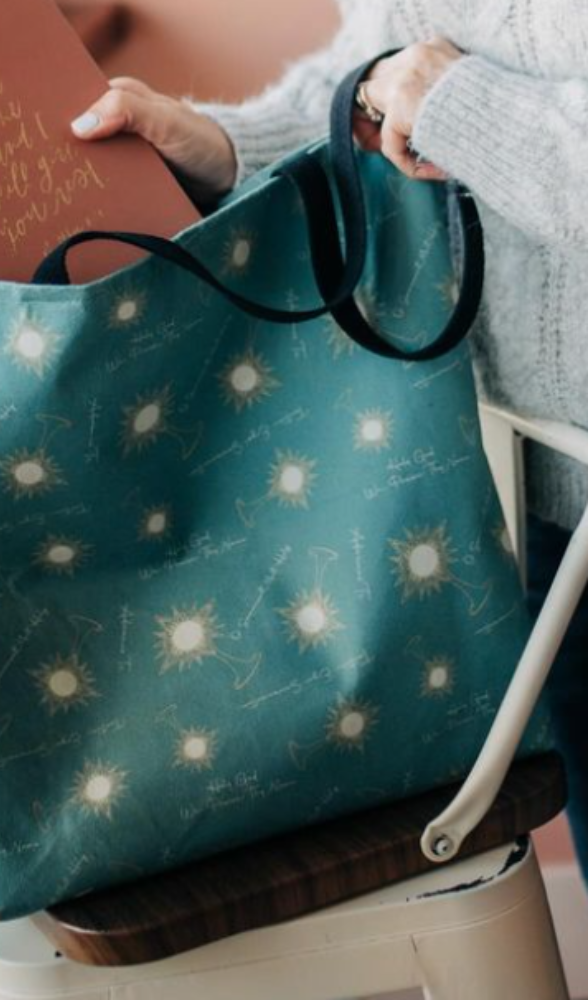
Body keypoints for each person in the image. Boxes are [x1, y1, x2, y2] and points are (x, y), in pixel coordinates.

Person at [70, 0, 588, 876]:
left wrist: (459, 106)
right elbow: (380, 64)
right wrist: (226, 147)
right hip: (539, 505)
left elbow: (425, 84)